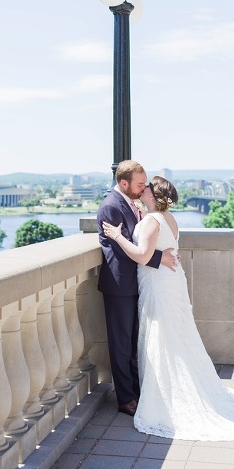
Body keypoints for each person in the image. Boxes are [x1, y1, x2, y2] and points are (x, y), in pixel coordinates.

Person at [102, 176, 234, 439]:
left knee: (163, 341)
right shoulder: (169, 218)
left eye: (147, 186)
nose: (142, 188)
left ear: (154, 195)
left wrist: (116, 236)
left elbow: (142, 256)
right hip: (171, 281)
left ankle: (165, 399)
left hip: (158, 284)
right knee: (176, 339)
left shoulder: (149, 220)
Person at [96, 160, 178, 417]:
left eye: (145, 185)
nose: (144, 188)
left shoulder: (132, 203)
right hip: (120, 285)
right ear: (124, 183)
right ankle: (126, 399)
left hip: (137, 282)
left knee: (134, 342)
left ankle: (137, 392)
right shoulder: (111, 206)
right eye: (140, 184)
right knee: (122, 343)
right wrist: (159, 258)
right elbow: (122, 248)